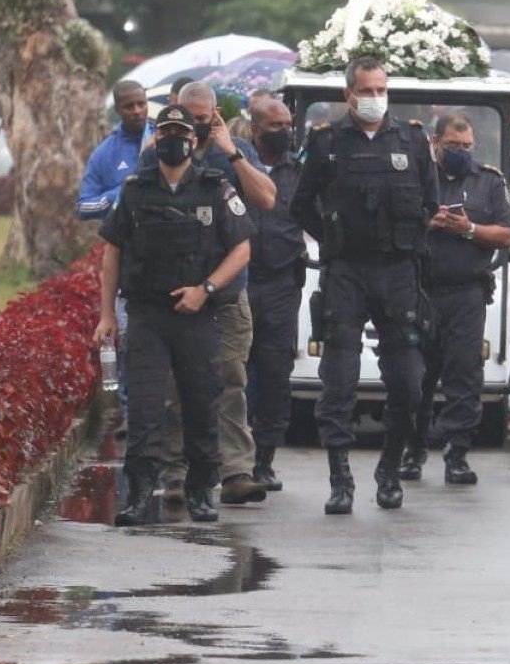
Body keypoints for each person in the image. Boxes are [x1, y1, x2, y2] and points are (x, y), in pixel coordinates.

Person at [290, 58, 439, 514]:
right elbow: (301, 206)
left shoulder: (412, 141)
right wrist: (334, 239)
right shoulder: (326, 143)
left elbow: (429, 204)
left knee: (409, 385)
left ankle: (390, 469)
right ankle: (340, 478)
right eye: (367, 89)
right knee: (338, 382)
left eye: (382, 87)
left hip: (397, 274)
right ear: (348, 94)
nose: (376, 96)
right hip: (347, 274)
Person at [94, 105, 254, 526]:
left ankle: (202, 491)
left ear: (193, 138)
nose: (172, 139)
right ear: (155, 137)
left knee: (202, 404)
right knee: (145, 407)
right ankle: (140, 493)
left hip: (197, 316)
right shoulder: (135, 189)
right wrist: (107, 314)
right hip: (147, 314)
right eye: (164, 131)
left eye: (181, 131)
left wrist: (207, 289)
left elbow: (242, 247)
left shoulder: (214, 187)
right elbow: (112, 251)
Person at [146, 81, 279, 506]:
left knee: (230, 380)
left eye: (205, 120)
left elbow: (266, 200)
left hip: (224, 291)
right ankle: (175, 472)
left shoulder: (233, 148)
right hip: (174, 291)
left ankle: (236, 470)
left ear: (216, 115)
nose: (198, 128)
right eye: (191, 120)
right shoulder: (158, 150)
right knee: (174, 386)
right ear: (176, 111)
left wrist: (233, 152)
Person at [407, 113, 510, 485]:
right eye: (453, 146)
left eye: (467, 146)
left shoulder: (488, 181)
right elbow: (391, 225)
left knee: (464, 374)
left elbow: (506, 235)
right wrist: (425, 223)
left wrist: (469, 229)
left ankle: (457, 452)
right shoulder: (418, 177)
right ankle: (413, 448)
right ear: (435, 143)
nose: (461, 152)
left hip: (466, 292)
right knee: (415, 376)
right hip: (420, 290)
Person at [240, 97, 305, 498]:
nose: (285, 130)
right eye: (276, 125)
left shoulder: (298, 171)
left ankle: (264, 460)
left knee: (275, 374)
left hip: (282, 282)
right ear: (256, 127)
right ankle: (233, 458)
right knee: (234, 373)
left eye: (288, 123)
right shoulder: (236, 166)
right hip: (240, 281)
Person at [77, 80, 150, 220]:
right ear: (117, 109)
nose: (137, 111)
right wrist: (122, 193)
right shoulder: (104, 154)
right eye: (129, 106)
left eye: (141, 104)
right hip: (127, 238)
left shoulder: (162, 137)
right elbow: (83, 207)